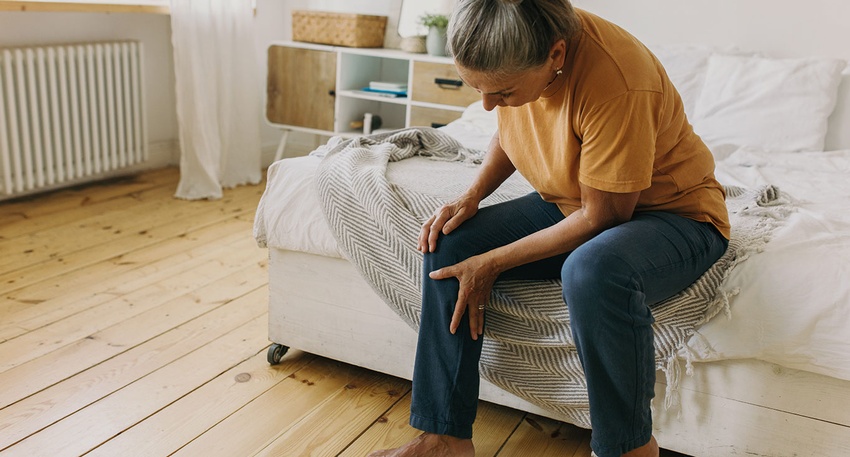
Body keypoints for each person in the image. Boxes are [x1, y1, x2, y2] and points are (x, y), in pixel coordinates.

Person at [369, 1, 730, 456]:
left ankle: (630, 448)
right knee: (451, 244)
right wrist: (471, 195)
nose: (486, 104)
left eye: (500, 92)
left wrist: (494, 262)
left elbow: (604, 218)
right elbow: (512, 123)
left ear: (556, 56)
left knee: (593, 271)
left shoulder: (618, 80)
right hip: (573, 201)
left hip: (673, 215)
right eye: (478, 89)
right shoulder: (520, 48)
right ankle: (445, 437)